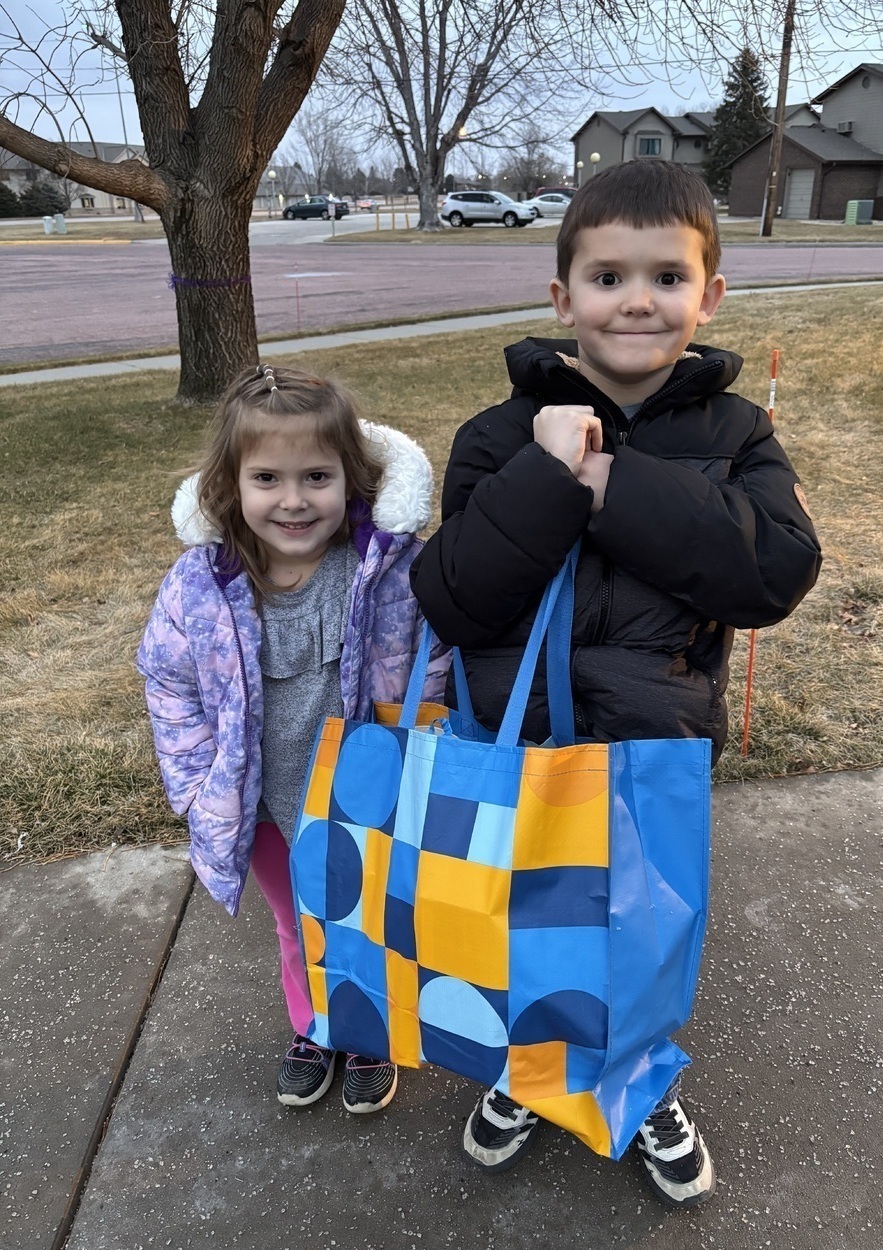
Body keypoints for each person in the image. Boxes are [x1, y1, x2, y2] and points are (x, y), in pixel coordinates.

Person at [410, 160, 822, 1207]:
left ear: (708, 295)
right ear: (560, 299)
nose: (635, 299)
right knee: (515, 924)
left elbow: (771, 572)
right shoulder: (498, 436)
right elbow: (451, 597)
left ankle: (636, 1082)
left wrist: (611, 481)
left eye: (664, 276)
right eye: (605, 276)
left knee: (640, 937)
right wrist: (544, 474)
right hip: (521, 743)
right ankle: (527, 1072)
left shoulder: (735, 435)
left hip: (651, 748)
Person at [138, 364, 449, 1117]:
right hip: (267, 806)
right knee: (294, 923)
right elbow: (168, 682)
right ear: (229, 485)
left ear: (354, 477)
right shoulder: (200, 586)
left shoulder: (385, 574)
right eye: (267, 477)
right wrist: (194, 784)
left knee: (371, 920)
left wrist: (422, 764)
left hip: (367, 800)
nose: (293, 499)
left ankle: (369, 1032)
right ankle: (314, 1028)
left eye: (316, 475)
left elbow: (429, 668)